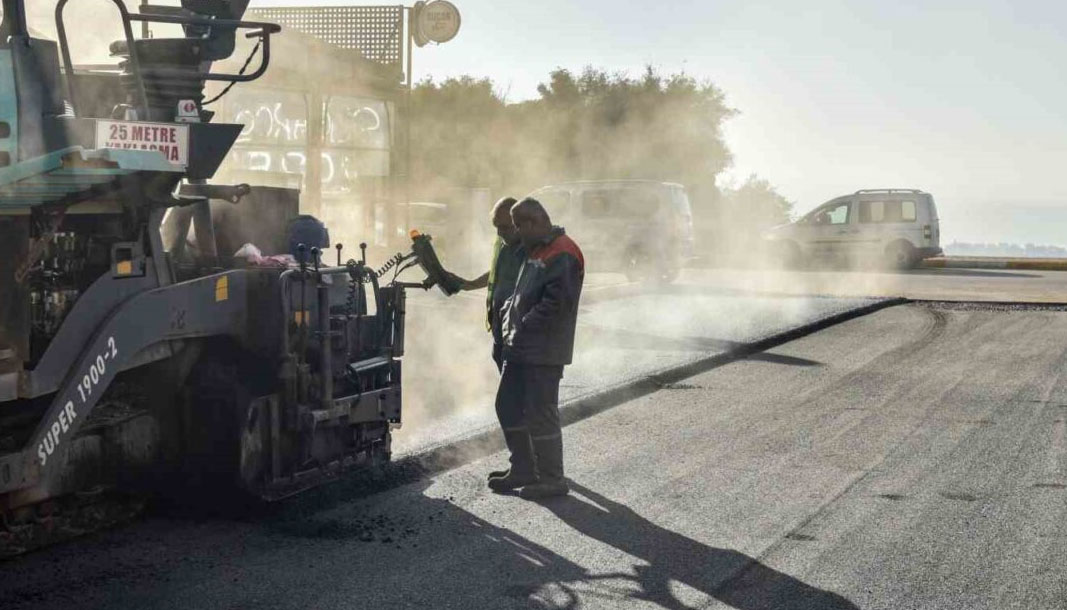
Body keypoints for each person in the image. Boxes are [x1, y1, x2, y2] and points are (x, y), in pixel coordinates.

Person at [489, 197, 585, 499]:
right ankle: (523, 469)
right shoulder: (537, 249)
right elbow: (522, 293)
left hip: (543, 351)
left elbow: (556, 305)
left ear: (534, 221)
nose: (515, 232)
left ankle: (552, 478)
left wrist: (523, 324)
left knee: (541, 413)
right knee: (507, 404)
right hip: (521, 347)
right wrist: (509, 314)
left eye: (518, 226)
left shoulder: (563, 252)